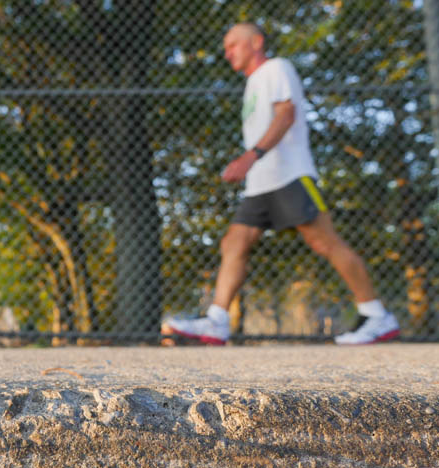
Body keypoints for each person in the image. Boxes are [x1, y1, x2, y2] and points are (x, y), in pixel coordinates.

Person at [163, 22, 399, 345]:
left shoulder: (276, 68)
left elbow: (286, 114)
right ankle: (217, 319)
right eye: (226, 46)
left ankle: (376, 316)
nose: (227, 51)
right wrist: (254, 163)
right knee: (235, 241)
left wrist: (251, 156)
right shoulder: (252, 84)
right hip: (260, 183)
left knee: (324, 242)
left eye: (234, 44)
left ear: (257, 42)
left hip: (290, 174)